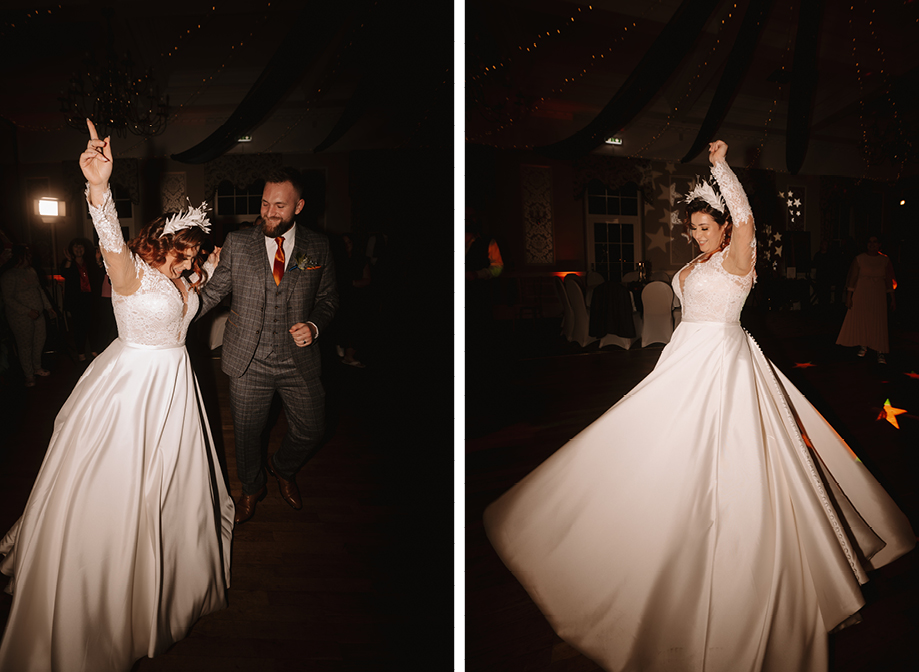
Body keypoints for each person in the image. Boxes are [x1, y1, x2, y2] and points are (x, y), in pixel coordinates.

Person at [483, 141, 915, 672]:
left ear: (726, 227)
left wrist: (720, 168)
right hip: (681, 360)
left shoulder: (738, 255)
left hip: (723, 364)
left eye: (706, 228)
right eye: (693, 229)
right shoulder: (698, 261)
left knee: (728, 464)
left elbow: (747, 217)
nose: (698, 235)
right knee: (653, 450)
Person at [0, 120, 234, 672]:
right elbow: (107, 234)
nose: (192, 261)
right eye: (185, 252)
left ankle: (168, 579)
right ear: (163, 243)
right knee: (118, 486)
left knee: (171, 486)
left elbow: (194, 293)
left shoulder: (186, 279)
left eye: (196, 254)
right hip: (131, 390)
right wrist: (99, 187)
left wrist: (207, 269)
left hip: (176, 391)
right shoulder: (130, 273)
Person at [197, 167, 338, 525]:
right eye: (264, 204)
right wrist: (174, 314)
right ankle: (251, 488)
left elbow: (328, 299)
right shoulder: (238, 243)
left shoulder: (317, 246)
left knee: (312, 429)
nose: (269, 213)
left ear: (299, 206)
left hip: (298, 360)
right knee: (246, 436)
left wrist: (314, 325)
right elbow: (213, 292)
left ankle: (282, 467)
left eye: (279, 206)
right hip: (249, 360)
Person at [835, 235, 896, 364]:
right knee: (864, 319)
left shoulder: (884, 260)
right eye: (869, 242)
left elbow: (889, 280)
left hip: (878, 294)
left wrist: (892, 298)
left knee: (879, 321)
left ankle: (880, 350)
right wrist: (849, 297)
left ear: (879, 244)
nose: (872, 244)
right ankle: (863, 345)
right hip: (862, 293)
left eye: (875, 242)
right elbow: (853, 278)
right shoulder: (860, 259)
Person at [0, 245, 55, 386]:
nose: (30, 258)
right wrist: (27, 311)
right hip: (20, 316)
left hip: (38, 314)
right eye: (27, 256)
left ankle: (37, 367)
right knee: (25, 345)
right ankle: (28, 375)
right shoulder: (9, 275)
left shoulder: (31, 271)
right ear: (19, 257)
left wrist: (48, 307)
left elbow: (39, 290)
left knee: (39, 341)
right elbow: (8, 299)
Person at [60, 236, 102, 361]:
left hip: (90, 298)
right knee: (79, 327)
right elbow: (64, 273)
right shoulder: (68, 262)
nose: (78, 249)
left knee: (93, 325)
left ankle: (94, 349)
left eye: (81, 246)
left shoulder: (90, 261)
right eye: (76, 246)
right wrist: (69, 260)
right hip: (76, 300)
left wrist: (98, 260)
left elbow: (100, 275)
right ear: (71, 249)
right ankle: (81, 352)